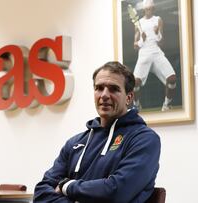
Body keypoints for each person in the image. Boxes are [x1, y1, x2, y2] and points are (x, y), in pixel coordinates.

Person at [34, 61, 161, 203]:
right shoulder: (75, 143)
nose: (105, 95)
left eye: (114, 89)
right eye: (99, 88)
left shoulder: (144, 140)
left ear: (129, 97)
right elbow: (41, 193)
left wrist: (67, 186)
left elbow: (116, 192)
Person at [133, 0, 176, 111]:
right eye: (147, 9)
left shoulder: (158, 20)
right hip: (144, 54)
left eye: (151, 8)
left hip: (156, 53)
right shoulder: (139, 23)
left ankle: (166, 105)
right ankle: (137, 105)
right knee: (134, 83)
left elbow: (161, 43)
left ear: (154, 9)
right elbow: (135, 46)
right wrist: (142, 40)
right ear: (144, 10)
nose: (149, 10)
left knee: (172, 78)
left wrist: (157, 33)